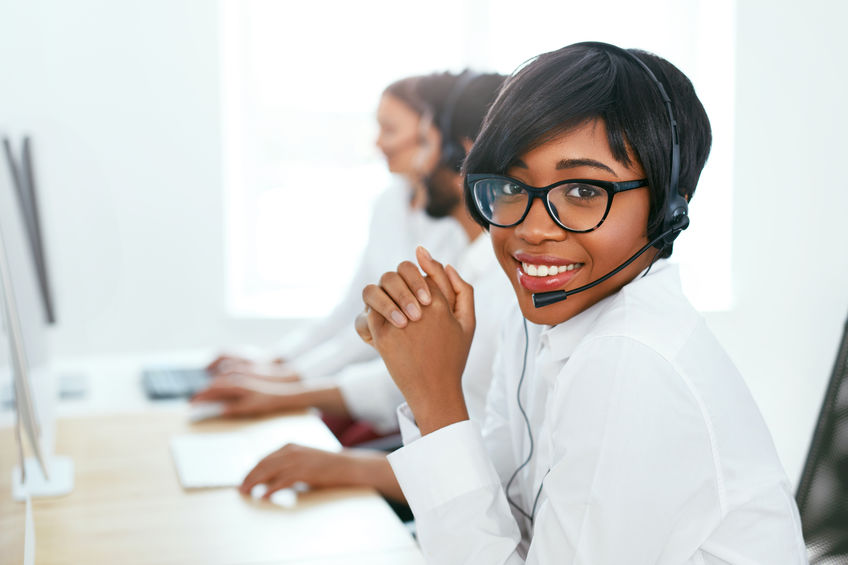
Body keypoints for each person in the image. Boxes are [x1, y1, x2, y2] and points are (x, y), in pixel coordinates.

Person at [357, 42, 807, 563]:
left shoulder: (630, 359)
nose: (531, 228)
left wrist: (436, 398)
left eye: (584, 192)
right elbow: (501, 520)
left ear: (668, 207)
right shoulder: (540, 323)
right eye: (510, 186)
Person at [194, 71, 512, 504]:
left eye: (423, 139)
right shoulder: (468, 262)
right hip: (442, 466)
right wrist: (280, 380)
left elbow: (492, 467)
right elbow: (372, 339)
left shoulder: (499, 282)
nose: (417, 160)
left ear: (462, 154)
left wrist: (288, 390)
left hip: (458, 482)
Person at [203, 73, 469, 385]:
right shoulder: (389, 202)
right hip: (360, 382)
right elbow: (351, 312)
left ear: (434, 133)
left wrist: (291, 377)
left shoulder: (456, 226)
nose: (378, 142)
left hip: (390, 387)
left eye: (391, 129)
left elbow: (391, 330)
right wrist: (277, 360)